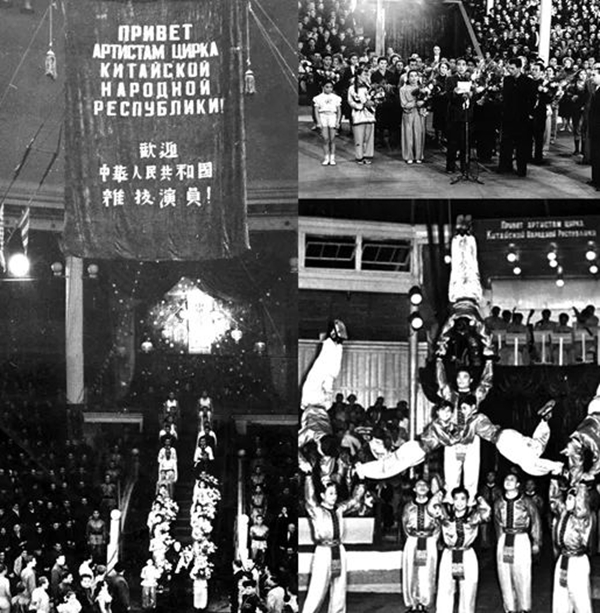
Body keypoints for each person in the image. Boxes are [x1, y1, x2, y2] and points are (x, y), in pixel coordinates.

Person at [301, 471, 366, 613]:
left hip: (339, 549)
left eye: (335, 493)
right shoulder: (317, 511)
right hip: (323, 551)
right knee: (318, 587)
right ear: (322, 495)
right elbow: (309, 498)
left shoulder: (339, 510)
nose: (334, 496)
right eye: (330, 494)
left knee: (339, 586)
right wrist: (308, 477)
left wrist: (361, 482)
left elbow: (354, 500)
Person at [299, 320, 348, 484]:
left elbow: (326, 475)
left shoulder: (329, 448)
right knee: (320, 370)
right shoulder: (311, 435)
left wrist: (327, 482)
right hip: (312, 400)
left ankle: (337, 344)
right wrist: (302, 462)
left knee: (330, 375)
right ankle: (332, 342)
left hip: (325, 403)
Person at [428, 487, 491, 613]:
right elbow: (431, 508)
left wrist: (478, 498)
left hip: (467, 553)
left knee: (469, 588)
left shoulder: (473, 516)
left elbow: (487, 512)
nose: (459, 502)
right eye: (456, 499)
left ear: (467, 501)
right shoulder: (445, 515)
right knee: (445, 587)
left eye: (463, 499)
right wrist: (440, 493)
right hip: (449, 553)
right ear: (452, 500)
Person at [494, 470, 542, 613]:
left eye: (512, 479)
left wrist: (536, 541)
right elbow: (497, 523)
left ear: (518, 484)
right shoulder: (498, 502)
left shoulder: (527, 501)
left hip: (521, 539)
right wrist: (500, 540)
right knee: (504, 574)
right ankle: (509, 607)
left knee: (522, 574)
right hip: (505, 539)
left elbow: (536, 521)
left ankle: (524, 608)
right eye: (506, 479)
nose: (508, 481)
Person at [548, 478, 593, 613]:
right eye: (567, 498)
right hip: (563, 558)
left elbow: (582, 506)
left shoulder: (583, 518)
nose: (567, 502)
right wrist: (554, 479)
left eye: (571, 499)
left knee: (580, 597)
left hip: (577, 561)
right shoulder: (564, 513)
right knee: (560, 596)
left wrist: (582, 486)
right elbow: (554, 500)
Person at [401, 478, 440, 612]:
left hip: (429, 541)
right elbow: (404, 525)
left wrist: (432, 541)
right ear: (414, 489)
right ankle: (412, 603)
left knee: (427, 572)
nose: (422, 487)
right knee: (411, 572)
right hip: (413, 541)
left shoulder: (434, 506)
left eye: (425, 485)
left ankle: (424, 603)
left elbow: (438, 526)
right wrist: (412, 539)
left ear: (428, 489)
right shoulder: (408, 507)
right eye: (419, 485)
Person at [498, 57, 536, 176]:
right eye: (509, 68)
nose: (510, 70)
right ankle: (505, 166)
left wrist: (529, 114)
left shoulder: (528, 82)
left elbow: (532, 99)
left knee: (521, 144)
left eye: (512, 68)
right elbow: (505, 97)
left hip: (522, 118)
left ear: (519, 68)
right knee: (506, 143)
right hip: (508, 117)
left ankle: (521, 168)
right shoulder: (507, 80)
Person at [445, 58, 474, 173]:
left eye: (463, 65)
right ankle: (450, 167)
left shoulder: (469, 79)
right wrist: (454, 93)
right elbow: (447, 96)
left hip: (466, 115)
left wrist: (472, 94)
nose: (461, 67)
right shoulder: (450, 79)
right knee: (452, 142)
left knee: (465, 143)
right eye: (459, 64)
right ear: (456, 66)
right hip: (454, 114)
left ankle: (464, 167)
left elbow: (475, 96)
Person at [347, 68, 376, 164]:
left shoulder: (369, 87)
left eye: (367, 75)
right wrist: (361, 105)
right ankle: (359, 156)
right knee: (359, 137)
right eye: (364, 74)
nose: (366, 77)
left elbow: (374, 98)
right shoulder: (352, 88)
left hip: (369, 114)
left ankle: (368, 155)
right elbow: (350, 101)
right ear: (358, 76)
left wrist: (373, 103)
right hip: (359, 114)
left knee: (369, 136)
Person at [399, 70, 426, 164]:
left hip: (419, 113)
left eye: (415, 76)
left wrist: (424, 102)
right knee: (408, 134)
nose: (413, 78)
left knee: (419, 134)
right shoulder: (403, 89)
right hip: (408, 113)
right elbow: (404, 104)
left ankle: (419, 156)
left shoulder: (422, 88)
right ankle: (408, 156)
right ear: (408, 78)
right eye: (411, 76)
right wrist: (415, 103)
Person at [313, 80, 342, 166]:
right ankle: (326, 157)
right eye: (327, 87)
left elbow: (339, 110)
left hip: (332, 116)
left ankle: (332, 158)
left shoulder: (336, 97)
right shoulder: (318, 98)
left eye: (331, 87)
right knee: (325, 138)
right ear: (323, 87)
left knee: (332, 139)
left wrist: (338, 121)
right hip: (323, 116)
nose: (329, 89)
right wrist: (318, 122)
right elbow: (316, 111)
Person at [588, 64, 600, 190]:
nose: (591, 77)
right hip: (595, 129)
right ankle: (596, 179)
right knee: (595, 155)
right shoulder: (596, 89)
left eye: (594, 75)